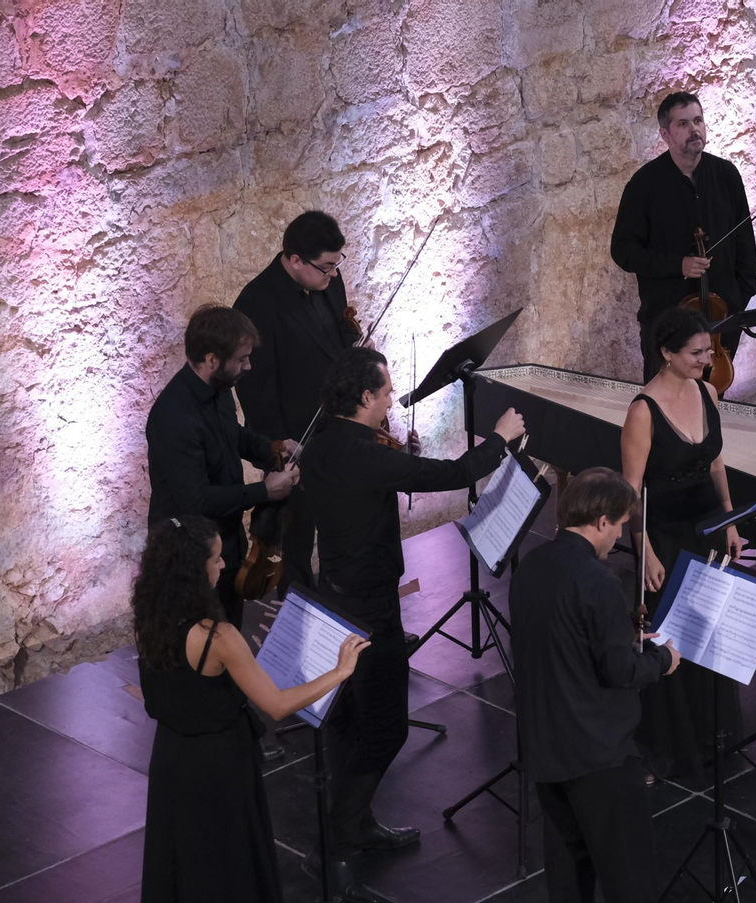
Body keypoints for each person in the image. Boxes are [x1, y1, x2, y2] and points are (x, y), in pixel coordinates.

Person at [297, 346, 524, 901]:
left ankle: (355, 825)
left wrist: (399, 461)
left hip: (334, 596)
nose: (390, 401)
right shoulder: (368, 456)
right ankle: (338, 842)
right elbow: (455, 473)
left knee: (349, 724)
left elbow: (374, 480)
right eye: (385, 392)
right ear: (365, 396)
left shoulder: (321, 444)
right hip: (370, 608)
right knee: (386, 727)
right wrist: (500, 438)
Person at [134, 515, 367, 903]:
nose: (224, 564)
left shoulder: (147, 618)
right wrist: (339, 671)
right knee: (228, 862)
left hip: (171, 758)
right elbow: (277, 705)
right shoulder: (219, 637)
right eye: (215, 559)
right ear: (194, 570)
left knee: (183, 859)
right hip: (218, 764)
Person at [513, 467, 682, 903]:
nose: (620, 534)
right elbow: (621, 673)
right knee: (629, 879)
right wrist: (662, 659)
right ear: (602, 521)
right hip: (598, 753)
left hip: (546, 748)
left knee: (569, 875)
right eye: (620, 524)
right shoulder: (599, 580)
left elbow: (564, 641)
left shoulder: (531, 564)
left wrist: (623, 641)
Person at [619, 306, 743, 782]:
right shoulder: (642, 411)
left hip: (707, 527)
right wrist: (644, 552)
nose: (707, 361)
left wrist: (730, 520)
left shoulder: (708, 392)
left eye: (708, 351)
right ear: (667, 353)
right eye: (696, 353)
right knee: (671, 636)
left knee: (709, 630)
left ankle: (713, 734)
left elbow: (716, 464)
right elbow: (632, 491)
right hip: (665, 535)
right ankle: (670, 746)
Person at [146, 304, 300, 627]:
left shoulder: (219, 389)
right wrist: (264, 491)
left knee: (229, 631)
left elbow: (233, 435)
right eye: (241, 359)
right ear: (212, 360)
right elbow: (196, 500)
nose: (248, 366)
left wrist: (272, 447)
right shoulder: (174, 416)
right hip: (190, 559)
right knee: (205, 643)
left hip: (226, 545)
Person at [233, 210, 357, 595]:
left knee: (346, 532)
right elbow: (256, 391)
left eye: (337, 264)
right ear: (296, 259)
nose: (333, 275)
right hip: (295, 443)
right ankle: (299, 616)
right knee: (297, 546)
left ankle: (341, 611)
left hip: (339, 431)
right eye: (326, 267)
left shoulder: (329, 280)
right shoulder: (256, 303)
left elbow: (339, 340)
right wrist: (278, 451)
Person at [611, 91, 756, 381]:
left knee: (714, 395)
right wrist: (677, 265)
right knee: (665, 400)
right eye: (683, 124)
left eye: (698, 121)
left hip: (721, 318)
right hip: (667, 322)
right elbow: (623, 250)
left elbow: (745, 241)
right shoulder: (644, 185)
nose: (694, 129)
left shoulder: (726, 175)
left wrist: (739, 297)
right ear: (665, 134)